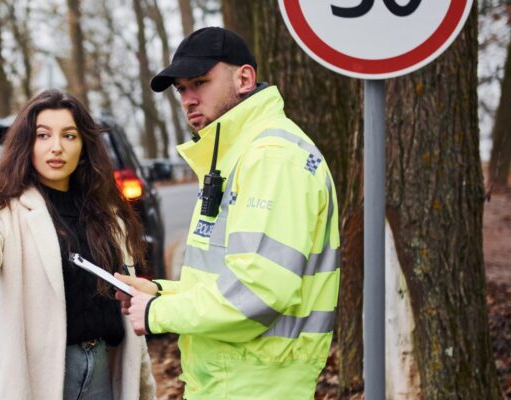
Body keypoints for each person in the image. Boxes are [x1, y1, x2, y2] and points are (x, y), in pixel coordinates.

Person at [115, 27, 341, 399]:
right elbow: (226, 278)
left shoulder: (272, 157)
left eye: (200, 82)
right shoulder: (241, 154)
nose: (188, 99)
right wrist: (161, 292)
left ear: (244, 79)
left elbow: (259, 293)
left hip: (256, 384)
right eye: (181, 89)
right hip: (232, 380)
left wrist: (159, 312)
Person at [0, 89, 157, 400]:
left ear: (83, 146)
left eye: (69, 136)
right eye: (43, 135)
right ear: (27, 144)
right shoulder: (5, 207)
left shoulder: (105, 209)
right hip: (44, 374)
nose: (56, 147)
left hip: (105, 363)